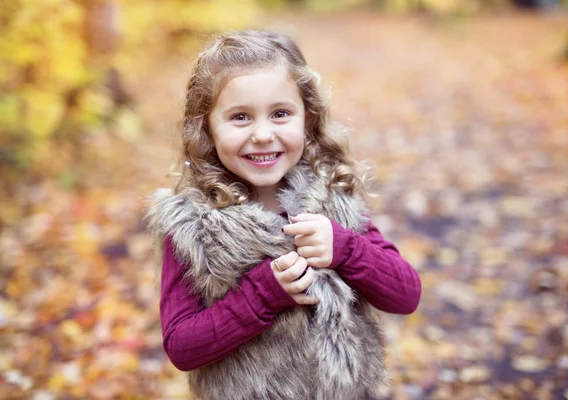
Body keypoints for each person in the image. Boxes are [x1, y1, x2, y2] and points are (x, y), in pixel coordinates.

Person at [146, 30, 421, 400]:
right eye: (240, 117)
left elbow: (406, 294)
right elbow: (182, 345)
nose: (263, 134)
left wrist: (347, 250)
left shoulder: (332, 199)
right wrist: (262, 295)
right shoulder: (192, 225)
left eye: (280, 114)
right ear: (207, 127)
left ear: (307, 119)